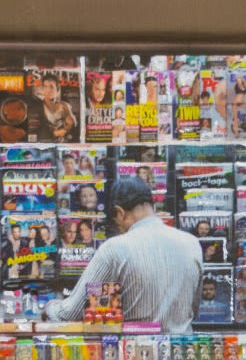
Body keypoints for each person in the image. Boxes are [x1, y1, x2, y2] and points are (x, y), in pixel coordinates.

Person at [43, 176, 203, 332]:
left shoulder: (115, 249)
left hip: (134, 354)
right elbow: (194, 309)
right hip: (181, 351)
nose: (118, 228)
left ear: (120, 213)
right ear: (151, 206)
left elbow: (70, 314)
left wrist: (49, 308)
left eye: (116, 222)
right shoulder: (192, 244)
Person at [33, 72, 76, 142]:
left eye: (51, 87)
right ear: (42, 89)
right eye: (45, 86)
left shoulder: (65, 106)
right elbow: (35, 131)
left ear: (57, 89)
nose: (48, 90)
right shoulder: (37, 107)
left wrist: (67, 128)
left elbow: (73, 126)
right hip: (44, 144)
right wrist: (54, 133)